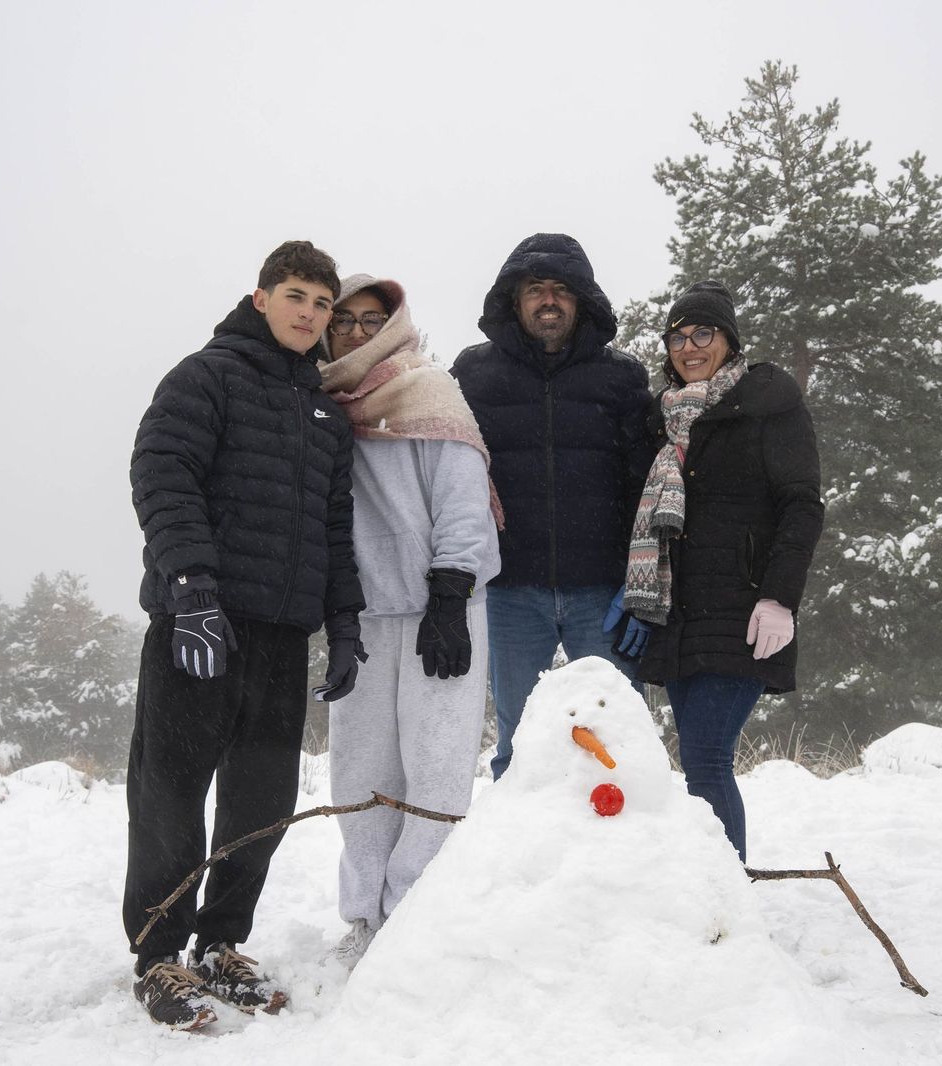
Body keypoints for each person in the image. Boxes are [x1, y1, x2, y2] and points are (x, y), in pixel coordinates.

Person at [124, 240, 367, 1029]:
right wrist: (190, 588)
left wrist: (344, 622)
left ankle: (221, 942)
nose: (309, 313)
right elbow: (162, 474)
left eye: (322, 303)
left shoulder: (326, 414)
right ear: (261, 298)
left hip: (281, 634)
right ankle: (159, 954)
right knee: (171, 792)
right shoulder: (207, 376)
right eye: (296, 295)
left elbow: (334, 528)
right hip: (201, 623)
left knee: (261, 799)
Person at [318, 273, 501, 968]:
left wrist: (451, 593)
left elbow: (462, 502)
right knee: (360, 772)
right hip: (362, 615)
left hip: (439, 610)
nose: (356, 333)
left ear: (394, 324)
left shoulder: (428, 392)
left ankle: (416, 916)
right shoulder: (321, 405)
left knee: (437, 768)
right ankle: (365, 914)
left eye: (372, 319)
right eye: (343, 321)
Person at [624, 280, 824, 862]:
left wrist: (780, 598)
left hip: (742, 612)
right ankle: (706, 883)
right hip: (679, 615)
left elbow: (802, 505)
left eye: (703, 333)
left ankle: (726, 892)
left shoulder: (768, 405)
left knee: (707, 758)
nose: (689, 347)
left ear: (729, 340)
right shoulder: (664, 419)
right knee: (695, 761)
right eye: (678, 338)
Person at [450, 234, 657, 781]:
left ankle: (628, 835)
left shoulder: (621, 378)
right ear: (514, 300)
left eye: (561, 289)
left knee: (618, 740)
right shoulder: (473, 374)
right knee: (519, 743)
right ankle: (518, 837)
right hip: (510, 590)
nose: (548, 300)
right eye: (535, 289)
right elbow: (448, 472)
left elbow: (645, 487)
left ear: (581, 299)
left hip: (603, 593)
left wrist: (638, 585)